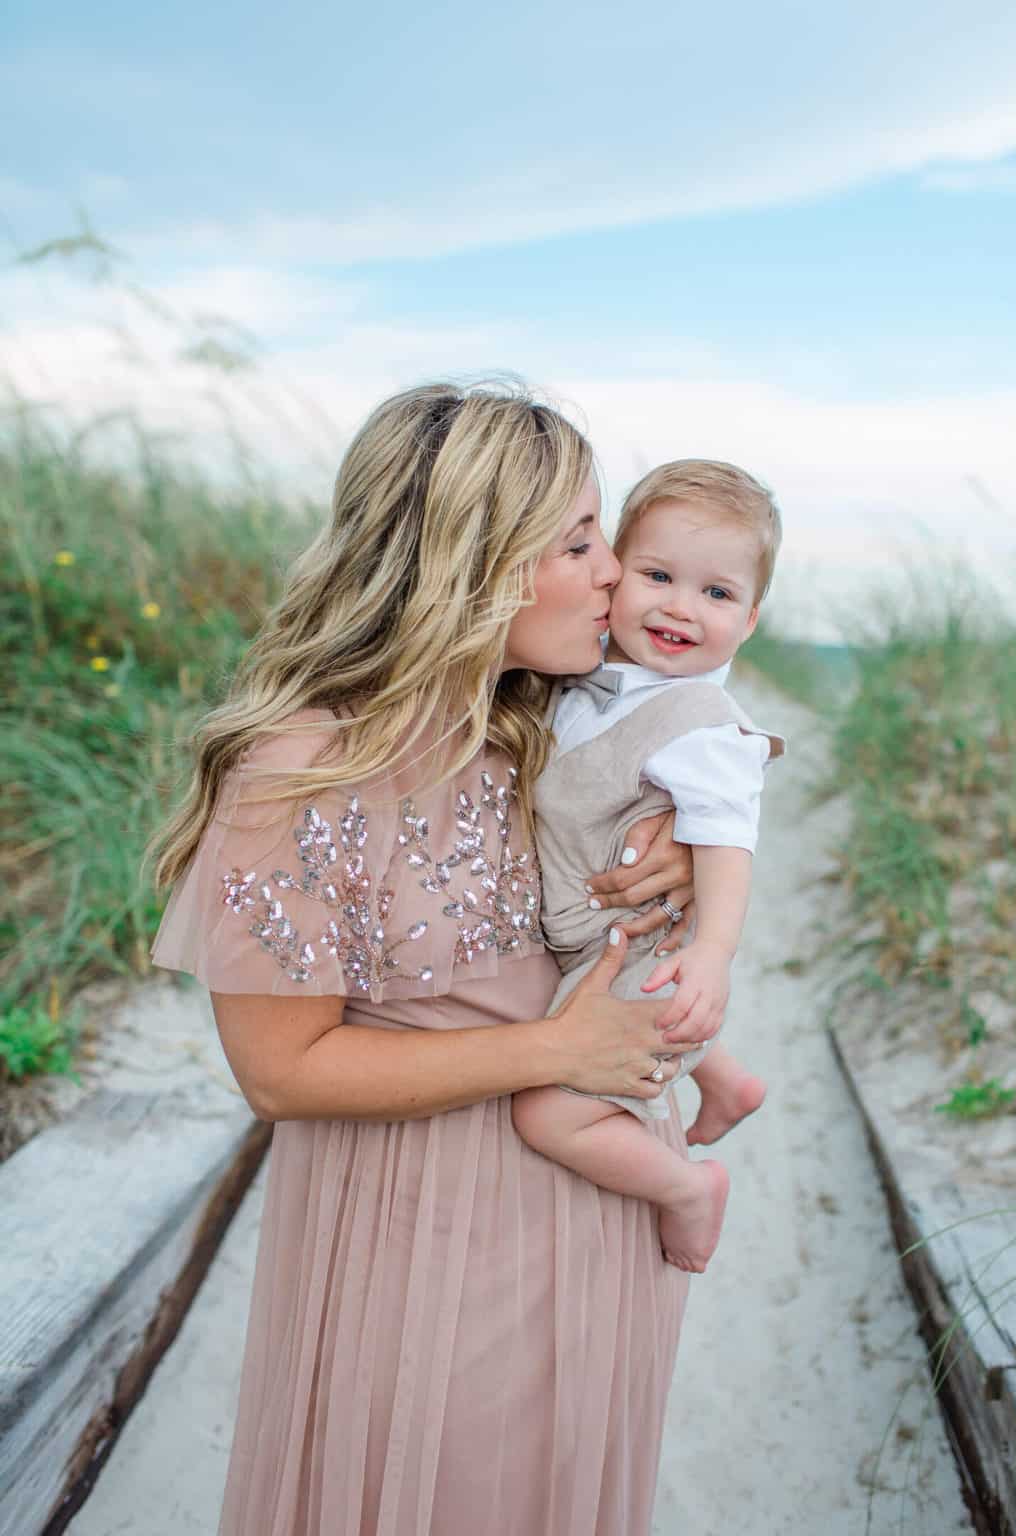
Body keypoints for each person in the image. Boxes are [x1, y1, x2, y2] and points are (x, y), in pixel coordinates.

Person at [147, 382, 706, 1536]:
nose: (614, 569)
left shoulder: (537, 728)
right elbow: (282, 1072)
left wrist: (682, 846)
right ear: (472, 559)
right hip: (416, 1232)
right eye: (578, 539)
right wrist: (557, 1046)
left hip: (593, 1208)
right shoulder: (298, 769)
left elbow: (717, 731)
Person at [512, 460, 785, 1275]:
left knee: (548, 1115)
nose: (680, 607)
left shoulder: (701, 724)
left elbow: (727, 840)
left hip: (632, 946)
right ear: (614, 575)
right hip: (594, 936)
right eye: (658, 575)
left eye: (717, 594)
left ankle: (686, 1189)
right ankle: (725, 1080)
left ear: (749, 620)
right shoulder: (591, 680)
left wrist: (712, 954)